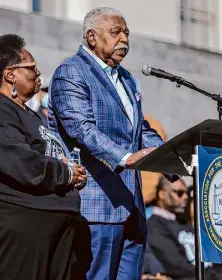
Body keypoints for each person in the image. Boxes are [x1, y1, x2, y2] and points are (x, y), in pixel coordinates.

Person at [48, 7, 169, 279]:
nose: (124, 40)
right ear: (92, 37)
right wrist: (125, 157)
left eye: (126, 33)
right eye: (116, 33)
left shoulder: (127, 79)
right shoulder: (71, 72)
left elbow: (140, 129)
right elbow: (81, 128)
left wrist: (174, 159)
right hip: (97, 203)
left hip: (132, 205)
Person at [0, 34, 87, 280]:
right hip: (9, 229)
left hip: (45, 231)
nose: (38, 73)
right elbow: (21, 164)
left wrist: (72, 173)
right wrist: (66, 173)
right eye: (32, 68)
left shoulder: (29, 114)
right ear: (10, 75)